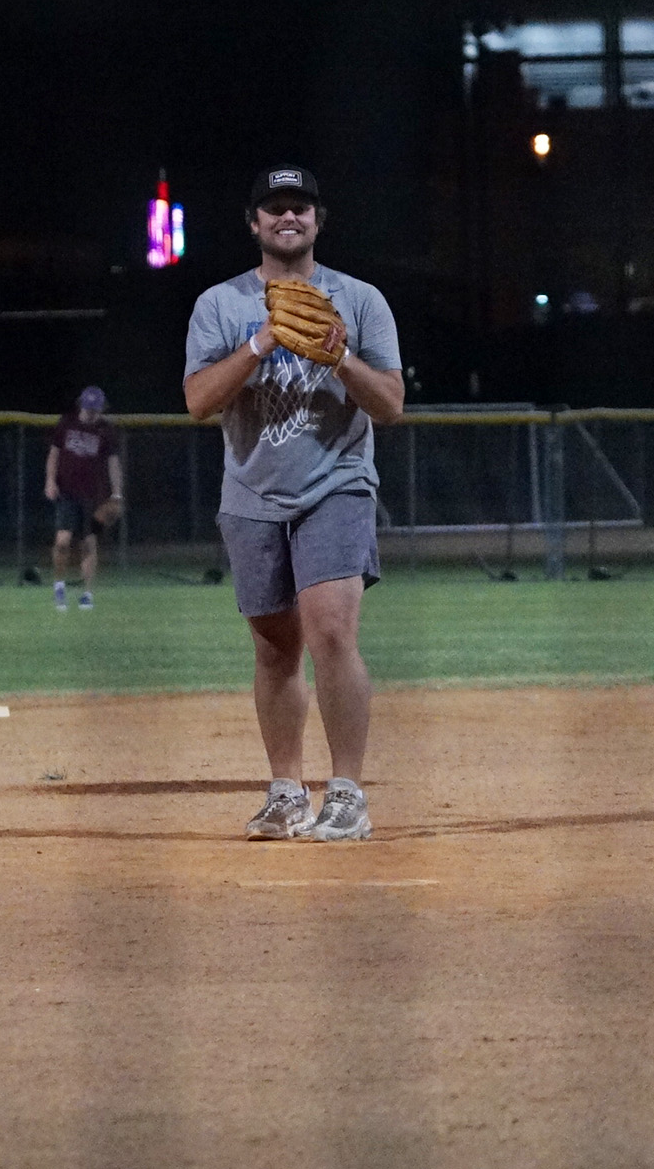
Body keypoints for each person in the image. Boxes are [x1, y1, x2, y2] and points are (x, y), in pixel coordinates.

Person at [183, 165, 404, 842]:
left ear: (318, 220)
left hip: (336, 482)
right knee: (275, 648)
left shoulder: (360, 300)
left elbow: (391, 405)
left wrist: (340, 358)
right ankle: (286, 793)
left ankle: (347, 794)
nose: (289, 217)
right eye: (275, 208)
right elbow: (197, 402)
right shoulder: (219, 306)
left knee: (331, 629)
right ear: (254, 222)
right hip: (251, 493)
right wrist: (263, 342)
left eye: (300, 208)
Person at [45, 385, 123, 610]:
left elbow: (113, 463)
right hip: (67, 492)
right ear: (82, 405)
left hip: (93, 496)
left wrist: (116, 494)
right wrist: (50, 480)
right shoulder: (66, 424)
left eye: (96, 409)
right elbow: (54, 454)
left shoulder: (105, 430)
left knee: (88, 544)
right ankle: (59, 586)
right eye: (89, 408)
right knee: (62, 543)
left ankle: (87, 594)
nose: (92, 413)